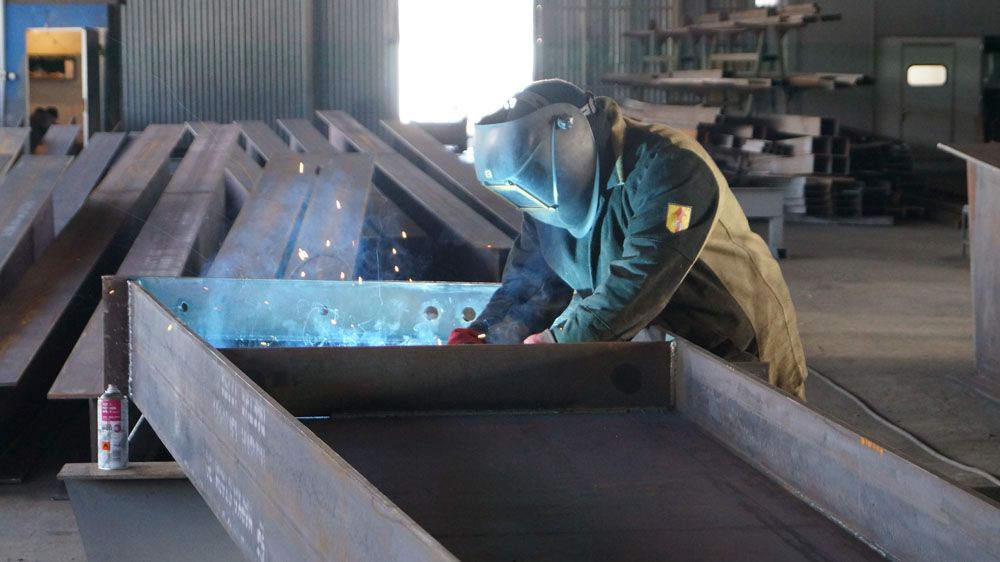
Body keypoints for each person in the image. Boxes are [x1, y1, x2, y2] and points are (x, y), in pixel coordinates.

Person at [448, 79, 808, 398]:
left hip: (733, 337)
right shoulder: (546, 193)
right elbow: (531, 286)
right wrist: (483, 333)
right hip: (654, 336)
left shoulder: (669, 166)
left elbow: (639, 280)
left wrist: (558, 343)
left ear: (571, 139)